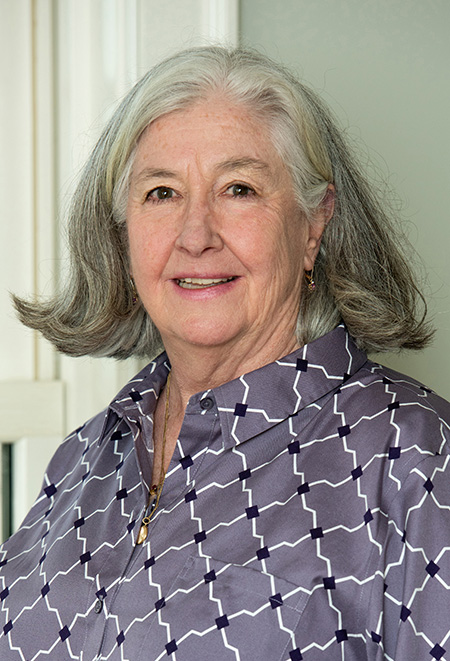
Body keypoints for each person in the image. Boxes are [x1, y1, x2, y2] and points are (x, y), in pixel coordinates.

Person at [0, 46, 449, 661]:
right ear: (122, 233)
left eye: (239, 189)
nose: (196, 235)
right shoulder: (82, 459)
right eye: (162, 193)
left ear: (314, 224)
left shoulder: (415, 460)